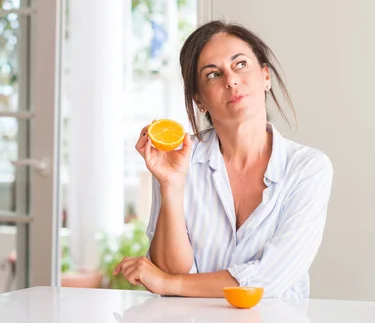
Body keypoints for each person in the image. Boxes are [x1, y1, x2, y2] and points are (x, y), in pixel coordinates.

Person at [113, 20, 333, 299]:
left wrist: (169, 284)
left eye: (240, 64)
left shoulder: (308, 168)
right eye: (213, 75)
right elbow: (170, 267)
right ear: (199, 100)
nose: (231, 79)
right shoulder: (178, 160)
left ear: (265, 76)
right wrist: (171, 184)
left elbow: (270, 279)